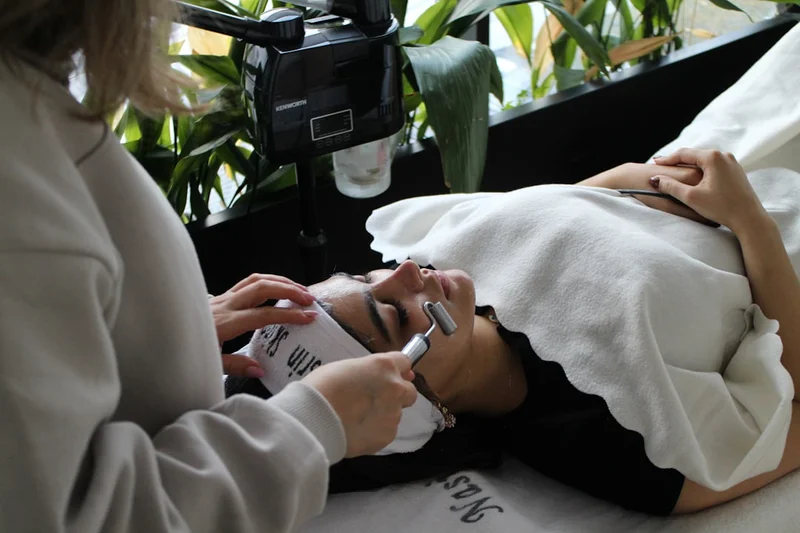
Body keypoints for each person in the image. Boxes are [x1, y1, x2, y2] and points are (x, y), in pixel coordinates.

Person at [0, 2, 417, 533]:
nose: (405, 268)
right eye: (386, 309)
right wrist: (310, 425)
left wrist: (154, 335)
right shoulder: (17, 198)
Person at [227, 152, 800, 516]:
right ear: (409, 397)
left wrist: (700, 189)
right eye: (396, 315)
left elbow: (609, 190)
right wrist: (751, 223)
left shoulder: (458, 252)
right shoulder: (613, 447)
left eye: (364, 276)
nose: (405, 272)